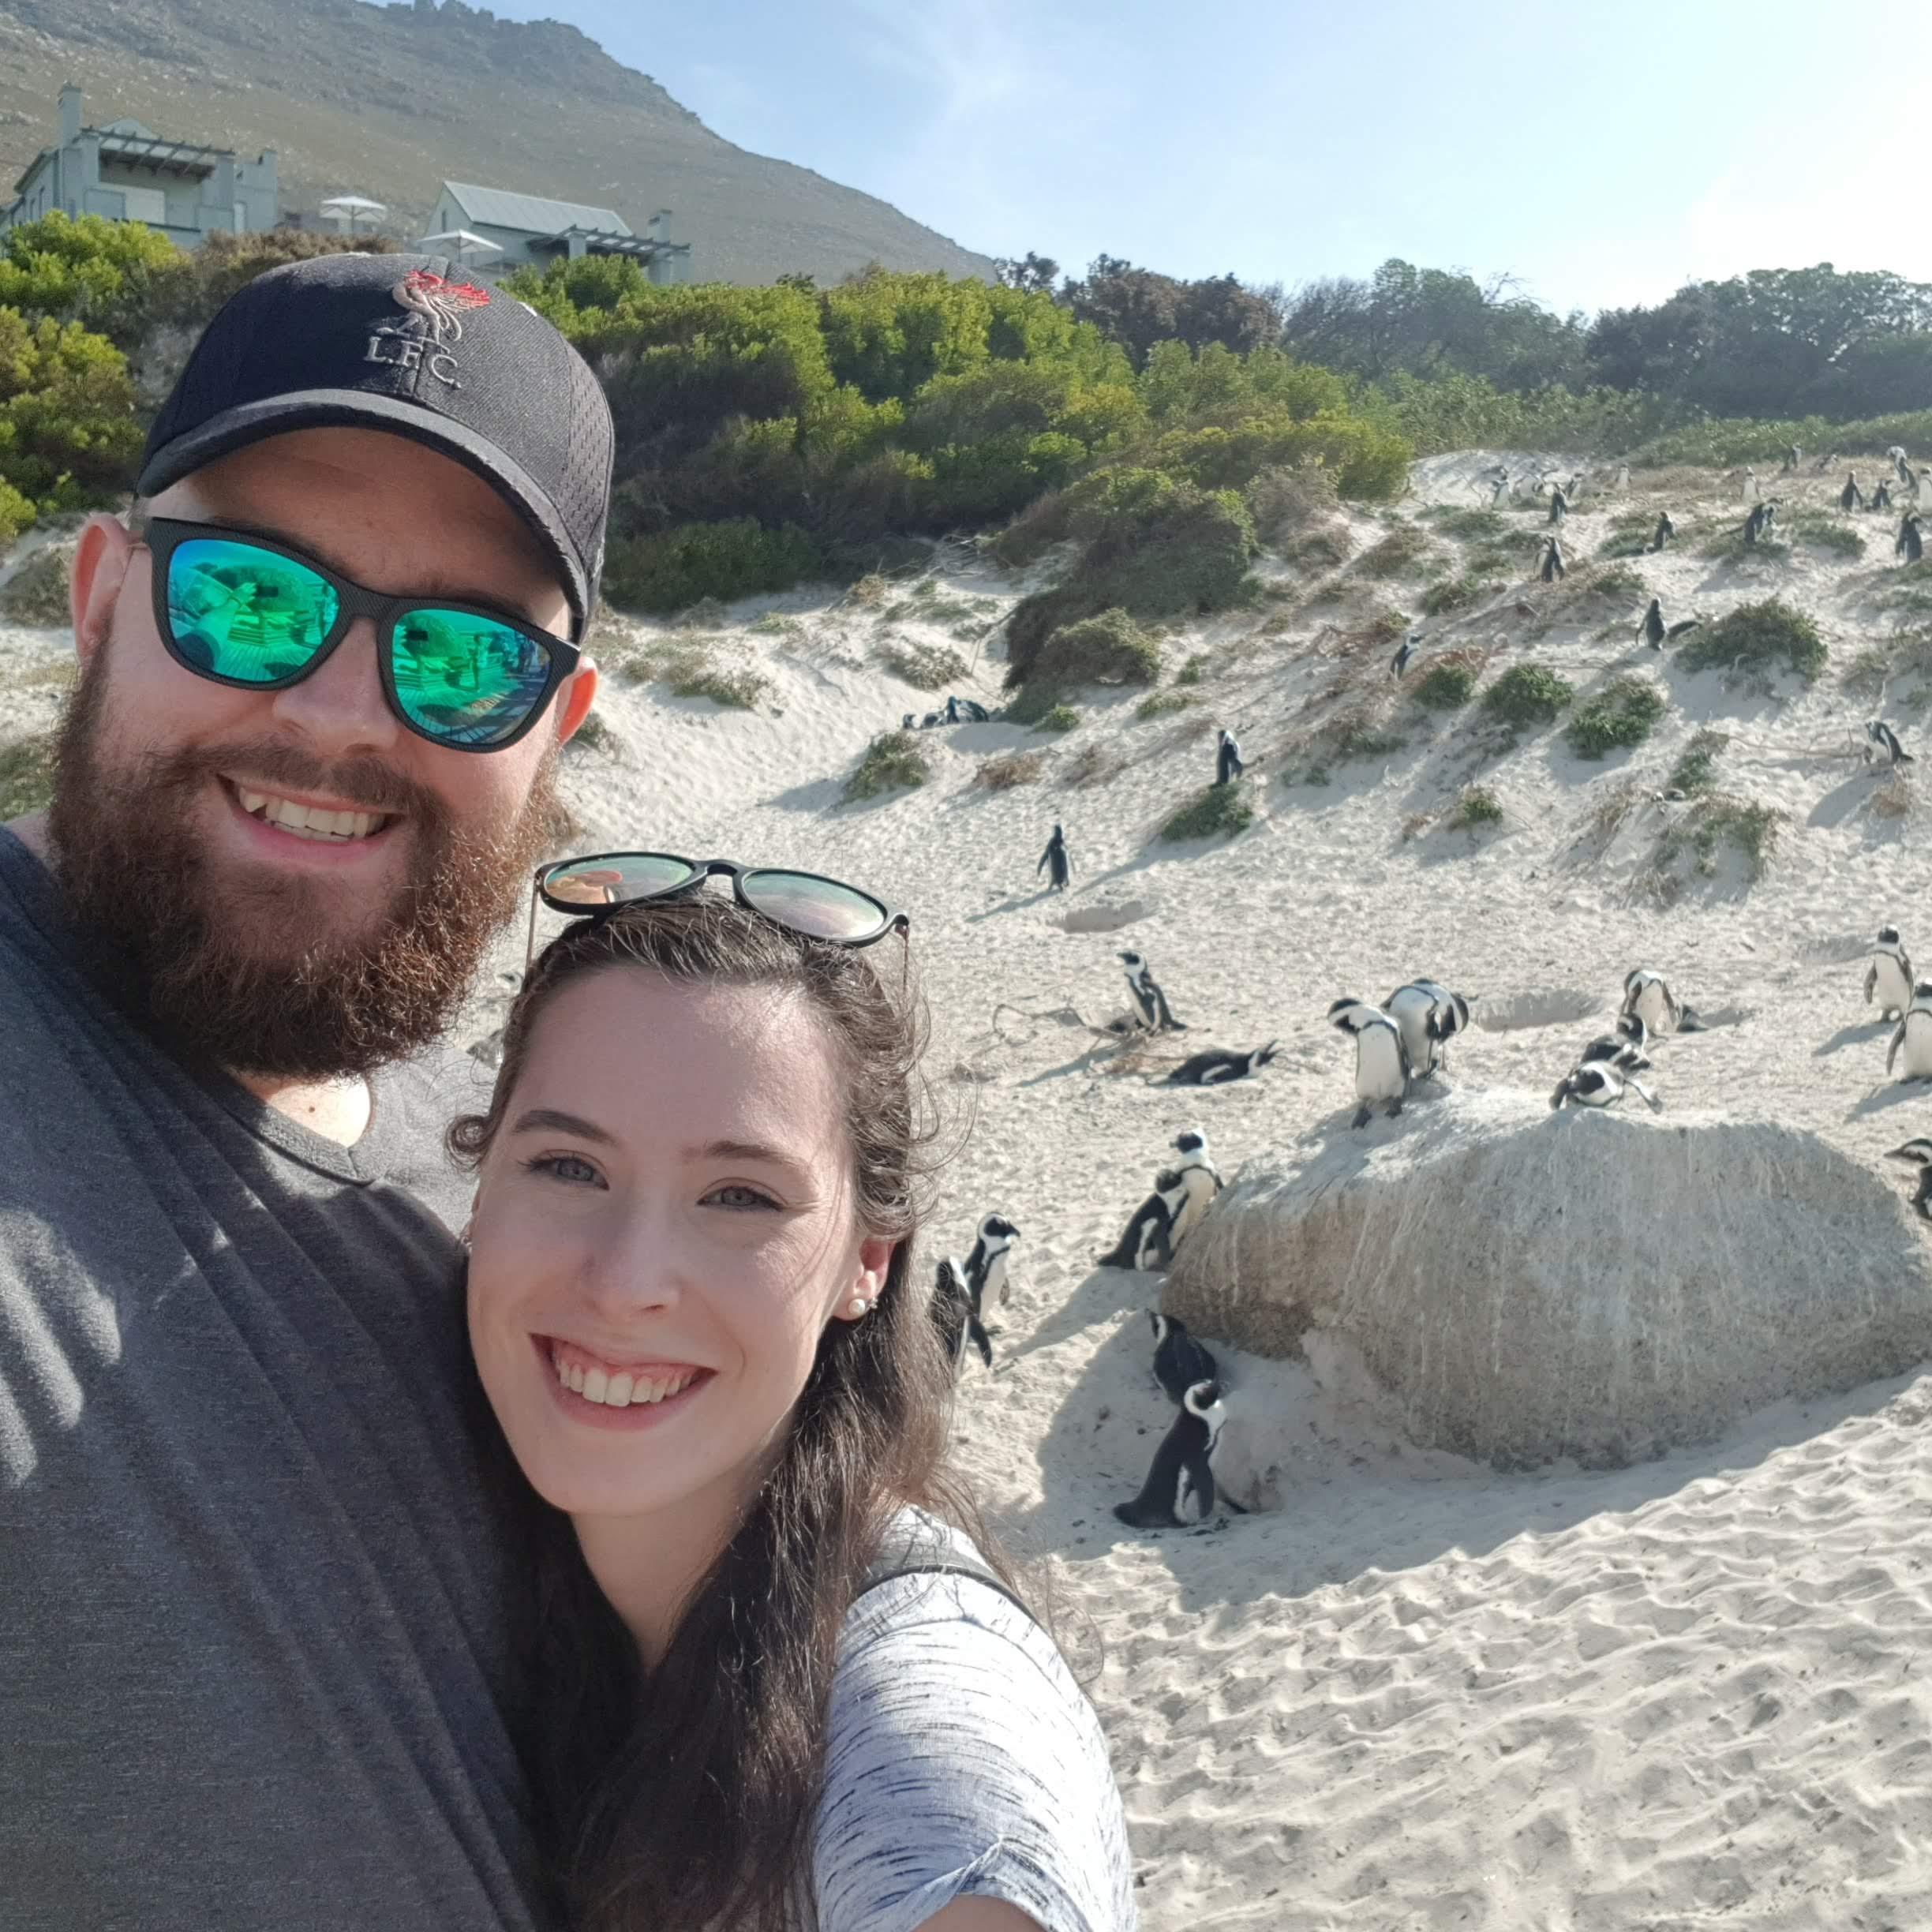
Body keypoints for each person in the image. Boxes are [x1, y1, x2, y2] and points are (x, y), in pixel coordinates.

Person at [1, 251, 612, 1930]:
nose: (340, 717)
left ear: (552, 725)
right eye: (253, 597)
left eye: (461, 661)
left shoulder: (496, 1167)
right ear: (105, 592)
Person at [456, 860, 1136, 1932]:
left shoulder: (933, 1777)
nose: (626, 1283)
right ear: (479, 1182)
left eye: (739, 1196)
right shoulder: (547, 1609)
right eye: (569, 1169)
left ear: (868, 1262)